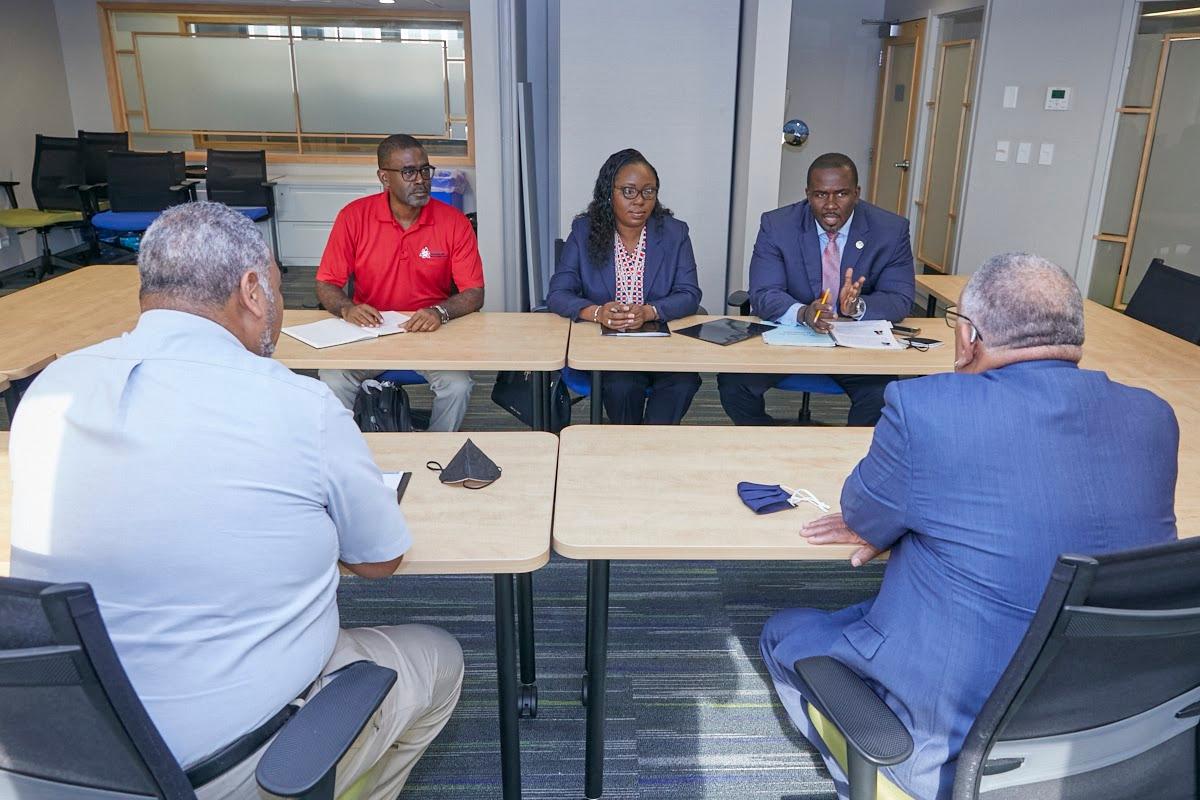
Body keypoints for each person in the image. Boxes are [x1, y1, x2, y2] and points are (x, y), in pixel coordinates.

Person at [9, 202, 463, 800]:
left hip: (57, 758)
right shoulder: (298, 407)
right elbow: (379, 562)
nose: (276, 304)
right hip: (229, 766)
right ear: (252, 289)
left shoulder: (51, 391)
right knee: (441, 658)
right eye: (276, 287)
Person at [759, 252, 1179, 800]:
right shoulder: (1152, 416)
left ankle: (870, 779)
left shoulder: (927, 409)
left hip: (955, 751)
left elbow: (861, 512)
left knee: (787, 633)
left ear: (970, 337)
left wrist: (899, 521)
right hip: (1126, 730)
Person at [718, 152, 914, 426]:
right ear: (807, 194)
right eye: (820, 195)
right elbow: (764, 292)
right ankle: (770, 444)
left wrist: (857, 307)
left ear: (857, 193)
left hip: (855, 344)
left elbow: (900, 298)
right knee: (733, 383)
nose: (831, 205)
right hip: (792, 336)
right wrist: (802, 313)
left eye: (842, 194)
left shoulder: (890, 230)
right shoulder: (777, 225)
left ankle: (846, 459)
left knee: (882, 396)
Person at [316, 133, 484, 432]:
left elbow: (474, 292)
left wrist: (440, 312)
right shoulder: (353, 217)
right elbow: (327, 283)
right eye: (408, 172)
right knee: (332, 377)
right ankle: (351, 454)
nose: (420, 180)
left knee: (457, 385)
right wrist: (346, 308)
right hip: (370, 330)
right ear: (384, 177)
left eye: (424, 170)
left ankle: (433, 452)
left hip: (431, 330)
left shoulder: (453, 222)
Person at [546, 148, 702, 424]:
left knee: (683, 382)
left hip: (663, 345)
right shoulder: (584, 231)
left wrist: (650, 311)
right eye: (629, 192)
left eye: (648, 192)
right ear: (609, 193)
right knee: (621, 386)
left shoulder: (675, 233)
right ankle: (628, 442)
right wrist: (597, 312)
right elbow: (558, 293)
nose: (640, 201)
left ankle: (650, 446)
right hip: (608, 348)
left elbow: (689, 294)